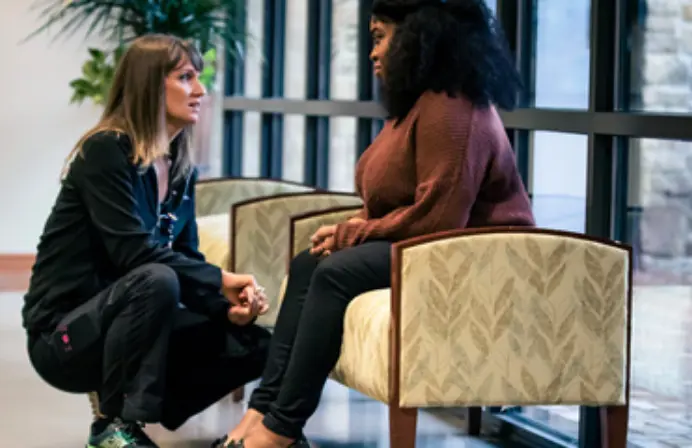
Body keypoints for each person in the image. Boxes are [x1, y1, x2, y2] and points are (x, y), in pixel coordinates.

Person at [215, 0, 536, 447]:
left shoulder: (452, 106)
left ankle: (280, 431)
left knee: (335, 271)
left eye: (380, 36)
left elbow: (439, 216)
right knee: (310, 262)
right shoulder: (419, 105)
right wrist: (348, 231)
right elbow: (395, 202)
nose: (373, 52)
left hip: (476, 260)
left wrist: (352, 233)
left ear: (419, 36)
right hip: (437, 247)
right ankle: (262, 413)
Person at [22, 34, 272, 448]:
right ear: (151, 86)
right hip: (63, 338)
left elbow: (185, 257)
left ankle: (152, 414)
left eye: (198, 78)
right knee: (155, 278)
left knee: (254, 344)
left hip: (132, 319)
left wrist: (228, 311)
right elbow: (133, 254)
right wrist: (221, 278)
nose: (201, 91)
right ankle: (111, 427)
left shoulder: (180, 170)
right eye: (186, 77)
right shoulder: (104, 151)